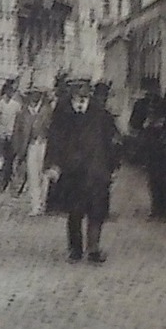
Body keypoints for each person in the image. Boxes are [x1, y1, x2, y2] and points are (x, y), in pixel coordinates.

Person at [45, 78, 122, 264]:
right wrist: (53, 164)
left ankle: (93, 249)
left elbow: (113, 141)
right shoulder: (61, 113)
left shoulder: (100, 113)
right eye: (78, 89)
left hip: (96, 170)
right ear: (71, 91)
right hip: (71, 171)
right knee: (74, 211)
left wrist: (112, 166)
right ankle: (75, 250)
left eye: (85, 88)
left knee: (97, 211)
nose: (82, 93)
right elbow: (53, 140)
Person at [129, 76, 166, 219]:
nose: (153, 92)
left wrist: (164, 123)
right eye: (151, 90)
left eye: (155, 89)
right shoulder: (141, 105)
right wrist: (144, 124)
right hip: (150, 145)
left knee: (165, 178)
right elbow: (133, 123)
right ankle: (158, 208)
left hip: (162, 144)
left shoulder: (165, 103)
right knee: (155, 178)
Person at [23, 90, 55, 216]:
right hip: (31, 145)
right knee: (32, 175)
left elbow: (53, 128)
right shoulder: (24, 111)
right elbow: (19, 131)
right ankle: (35, 205)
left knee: (45, 175)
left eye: (37, 94)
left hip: (44, 144)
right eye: (32, 94)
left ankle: (43, 203)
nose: (35, 96)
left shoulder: (47, 110)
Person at [0, 79, 21, 191]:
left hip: (13, 135)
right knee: (1, 158)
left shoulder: (16, 104)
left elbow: (19, 119)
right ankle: (0, 181)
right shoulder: (0, 103)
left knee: (11, 159)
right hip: (2, 135)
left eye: (13, 90)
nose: (11, 92)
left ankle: (11, 181)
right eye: (10, 90)